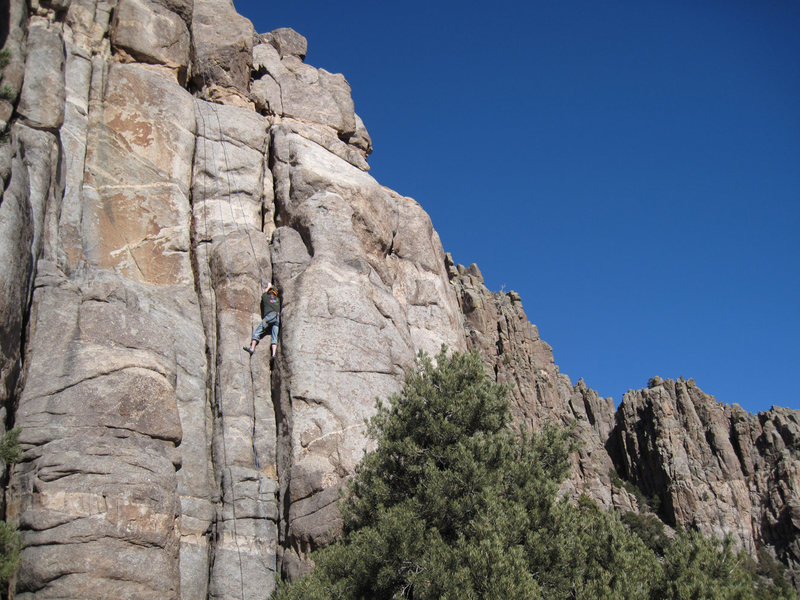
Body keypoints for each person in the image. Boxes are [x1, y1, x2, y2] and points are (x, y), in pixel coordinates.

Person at [244, 283, 280, 359]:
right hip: (277, 317)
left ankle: (252, 348)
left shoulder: (266, 297)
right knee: (274, 336)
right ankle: (273, 354)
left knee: (257, 331)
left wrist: (268, 287)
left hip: (270, 316)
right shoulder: (277, 300)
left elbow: (264, 293)